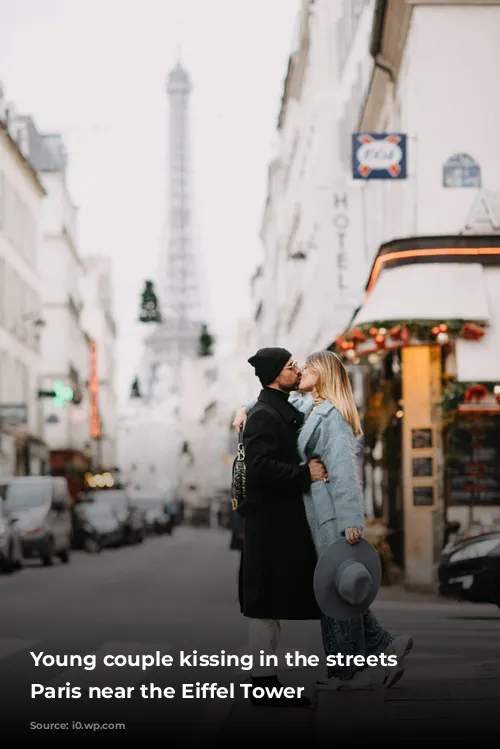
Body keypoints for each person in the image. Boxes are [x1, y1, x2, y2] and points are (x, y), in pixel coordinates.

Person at [234, 350, 413, 689]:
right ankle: (384, 647)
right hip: (308, 514)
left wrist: (350, 519)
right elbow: (270, 403)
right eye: (294, 367)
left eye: (306, 368)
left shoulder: (334, 417)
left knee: (335, 591)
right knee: (334, 590)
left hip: (328, 515)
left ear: (324, 374)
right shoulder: (307, 408)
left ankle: (348, 672)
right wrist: (243, 408)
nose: (299, 371)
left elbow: (345, 475)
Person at [240, 347, 329, 708]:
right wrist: (302, 474)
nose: (297, 370)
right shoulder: (264, 415)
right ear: (278, 374)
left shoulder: (269, 408)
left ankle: (264, 681)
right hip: (271, 525)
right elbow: (259, 467)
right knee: (265, 606)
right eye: (291, 366)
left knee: (269, 604)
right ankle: (263, 684)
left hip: (280, 523)